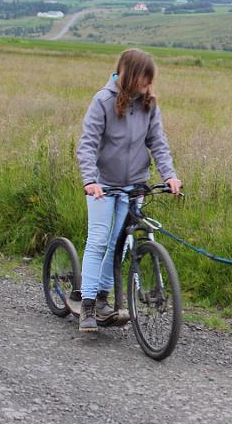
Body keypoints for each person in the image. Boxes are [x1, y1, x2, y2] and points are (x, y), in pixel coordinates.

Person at [76, 48, 181, 332]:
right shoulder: (102, 101)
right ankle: (87, 304)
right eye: (144, 80)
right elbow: (87, 144)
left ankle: (102, 300)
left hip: (134, 184)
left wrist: (170, 176)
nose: (148, 86)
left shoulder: (149, 104)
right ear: (130, 76)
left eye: (150, 81)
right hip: (103, 184)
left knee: (117, 245)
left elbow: (158, 142)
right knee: (98, 239)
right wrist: (90, 180)